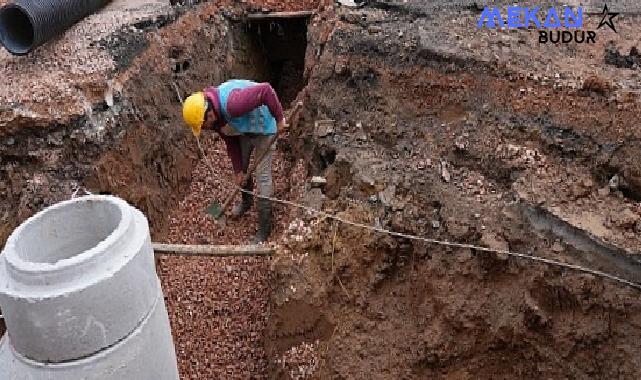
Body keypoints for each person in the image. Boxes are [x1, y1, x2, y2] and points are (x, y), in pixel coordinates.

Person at [182, 79, 287, 243]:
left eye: (203, 126)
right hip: (245, 130)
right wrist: (238, 170)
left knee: (263, 176)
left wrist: (280, 119)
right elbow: (230, 140)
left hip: (265, 128)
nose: (204, 129)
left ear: (209, 114)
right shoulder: (216, 119)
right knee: (243, 170)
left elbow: (266, 90)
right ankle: (246, 202)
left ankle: (265, 229)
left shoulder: (233, 104)